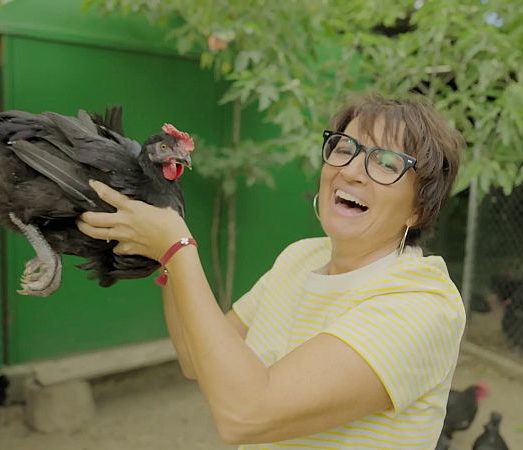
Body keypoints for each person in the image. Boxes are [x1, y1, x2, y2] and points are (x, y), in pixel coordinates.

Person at [77, 92, 466, 449]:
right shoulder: (300, 258)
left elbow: (247, 413)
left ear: (419, 208)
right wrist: (164, 251)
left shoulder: (421, 305)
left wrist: (177, 247)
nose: (351, 171)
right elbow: (196, 359)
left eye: (385, 163)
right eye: (346, 148)